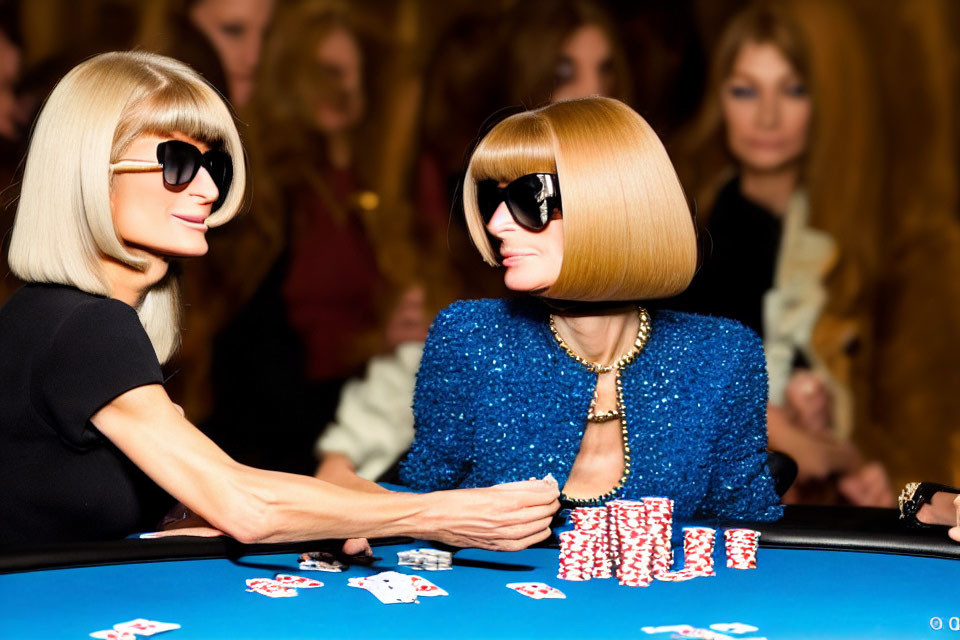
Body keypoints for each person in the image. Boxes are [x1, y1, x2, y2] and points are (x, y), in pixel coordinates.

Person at [0, 51, 558, 547]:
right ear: (92, 177)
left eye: (213, 164)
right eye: (177, 163)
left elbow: (144, 509)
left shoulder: (51, 314)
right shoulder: (84, 327)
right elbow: (246, 506)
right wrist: (433, 514)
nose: (209, 189)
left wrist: (337, 512)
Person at [399, 96, 783, 522]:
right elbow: (421, 510)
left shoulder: (723, 356)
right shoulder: (469, 337)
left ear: (610, 205)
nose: (495, 224)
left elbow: (746, 534)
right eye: (494, 198)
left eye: (529, 197)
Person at [669, 1, 893, 507]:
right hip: (727, 492)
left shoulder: (843, 235)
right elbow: (689, 379)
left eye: (793, 90)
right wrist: (835, 455)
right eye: (745, 90)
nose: (767, 116)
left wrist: (820, 408)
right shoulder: (694, 232)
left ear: (824, 101)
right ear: (719, 101)